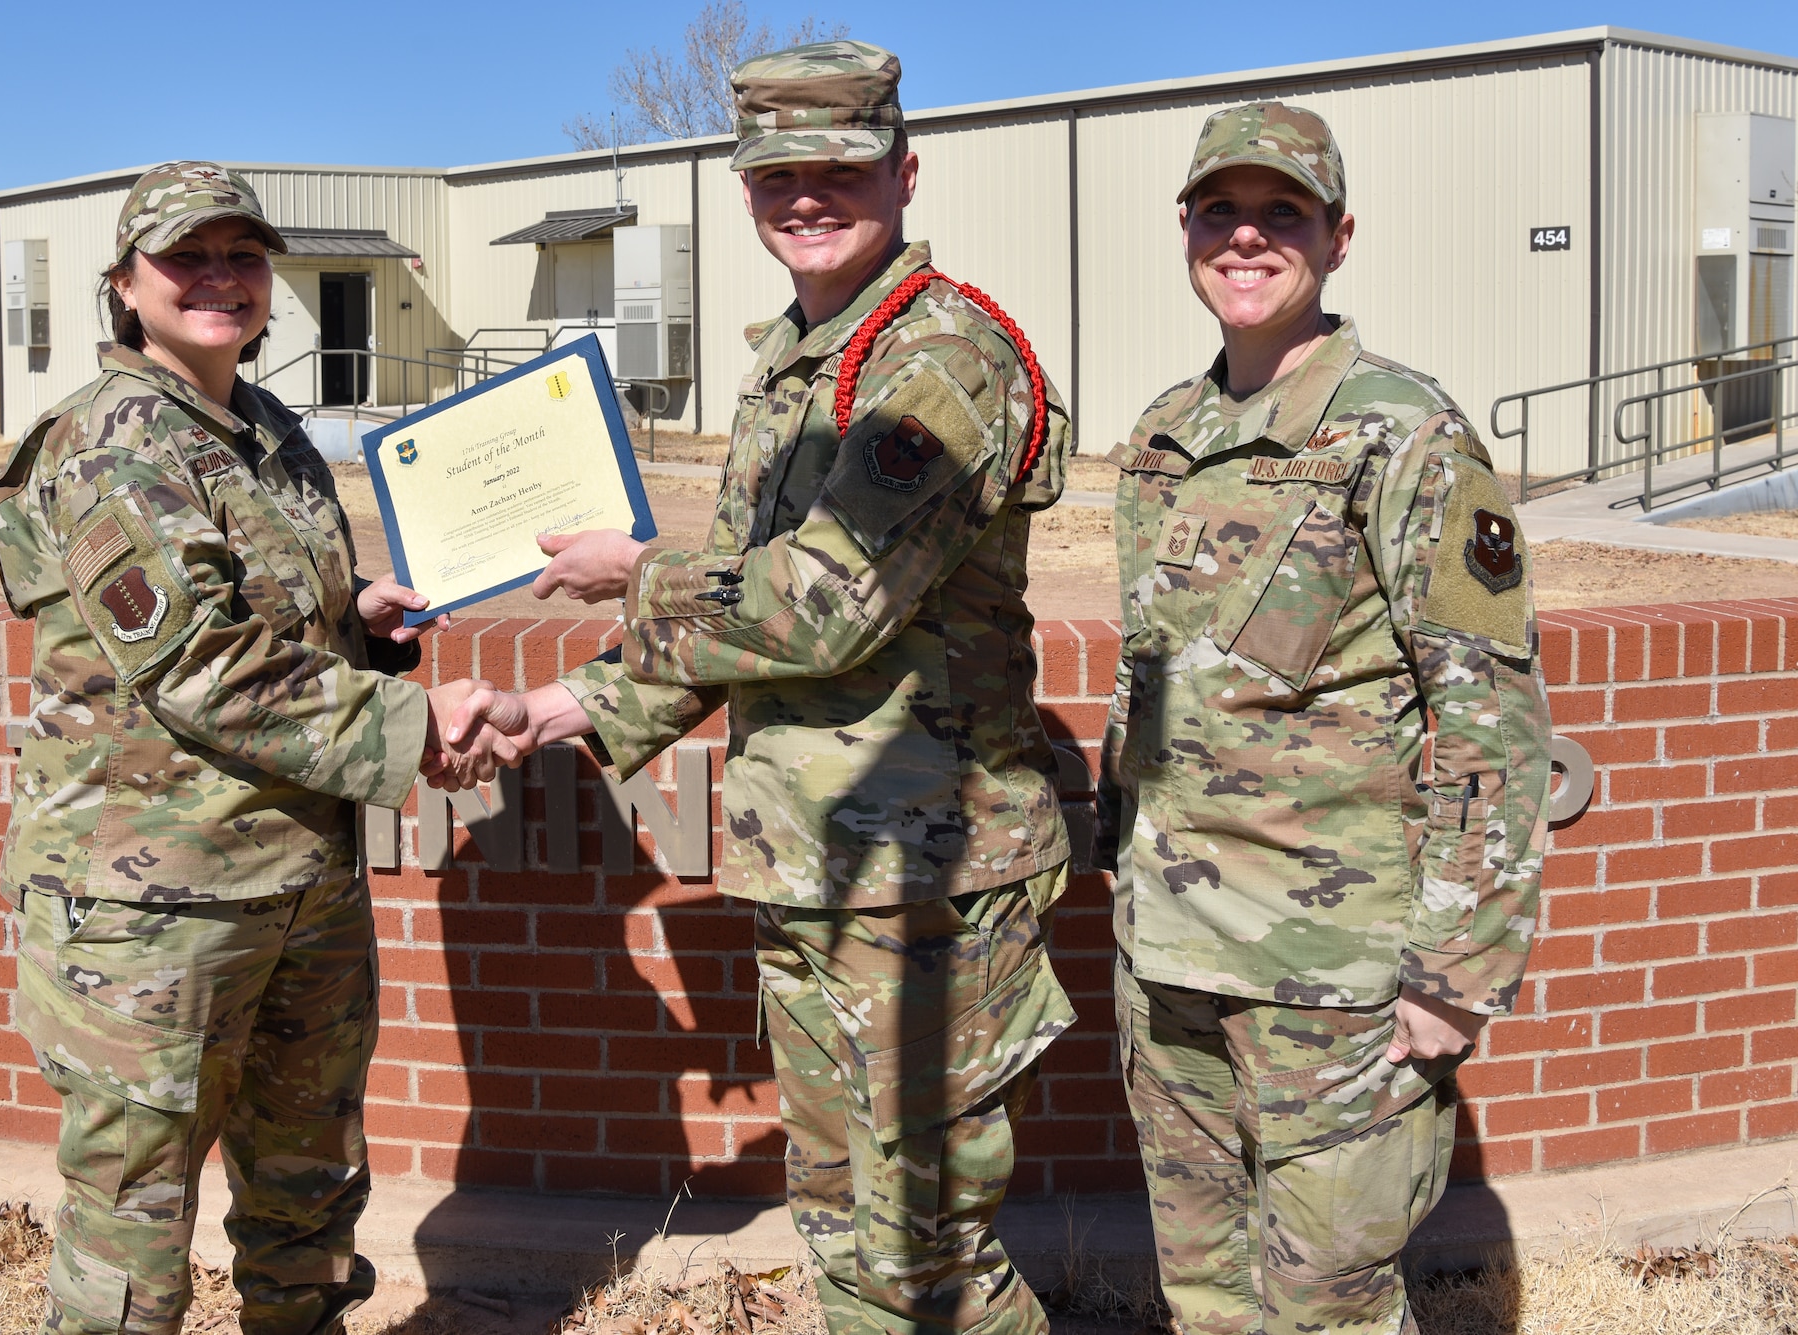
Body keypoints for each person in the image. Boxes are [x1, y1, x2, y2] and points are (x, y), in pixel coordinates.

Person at [443, 41, 1075, 1335]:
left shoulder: (938, 358)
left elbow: (826, 601)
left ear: (902, 170)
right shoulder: (793, 362)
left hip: (927, 893)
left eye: (837, 165)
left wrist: (636, 571)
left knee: (930, 1257)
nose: (806, 193)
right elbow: (744, 617)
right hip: (822, 876)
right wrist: (563, 709)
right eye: (777, 171)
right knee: (850, 1240)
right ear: (744, 190)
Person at [0, 162, 479, 1335]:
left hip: (297, 879)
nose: (220, 279)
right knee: (132, 1230)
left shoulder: (264, 429)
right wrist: (415, 725)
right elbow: (199, 666)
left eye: (242, 257)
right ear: (124, 286)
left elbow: (257, 613)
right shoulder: (112, 442)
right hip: (153, 906)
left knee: (306, 1194)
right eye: (185, 259)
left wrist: (354, 617)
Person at [1095, 103, 1554, 1334]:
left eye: (1280, 214)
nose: (1245, 238)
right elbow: (1154, 681)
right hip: (1170, 962)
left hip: (1331, 981)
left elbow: (1489, 717)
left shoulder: (1405, 434)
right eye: (1219, 212)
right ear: (1184, 230)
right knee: (1205, 1299)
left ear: (1338, 238)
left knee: (1324, 1310)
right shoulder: (1160, 437)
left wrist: (1455, 972)